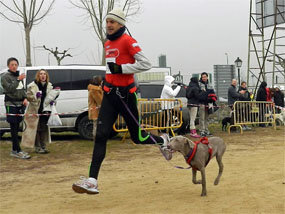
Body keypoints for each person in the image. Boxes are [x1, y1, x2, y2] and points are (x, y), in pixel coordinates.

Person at [72, 8, 170, 194]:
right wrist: (107, 80)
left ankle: (163, 140)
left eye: (112, 22)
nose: (108, 25)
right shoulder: (107, 43)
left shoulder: (128, 40)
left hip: (126, 96)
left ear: (121, 24)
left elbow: (146, 64)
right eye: (107, 21)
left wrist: (121, 68)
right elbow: (111, 68)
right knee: (100, 135)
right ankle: (92, 181)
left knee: (138, 138)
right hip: (110, 95)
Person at [21, 69, 59, 153]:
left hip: (45, 110)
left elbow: (50, 97)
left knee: (44, 129)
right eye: (41, 74)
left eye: (44, 74)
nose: (43, 75)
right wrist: (35, 96)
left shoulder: (49, 86)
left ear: (46, 76)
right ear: (38, 76)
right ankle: (37, 147)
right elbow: (28, 97)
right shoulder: (32, 86)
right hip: (34, 110)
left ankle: (43, 146)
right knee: (36, 129)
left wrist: (53, 100)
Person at [1, 57, 30, 159]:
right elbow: (9, 88)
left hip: (20, 105)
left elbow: (22, 89)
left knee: (17, 127)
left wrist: (25, 98)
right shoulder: (5, 76)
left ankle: (15, 149)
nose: (14, 66)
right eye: (12, 64)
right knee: (13, 127)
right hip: (11, 104)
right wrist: (18, 79)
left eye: (15, 64)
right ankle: (17, 150)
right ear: (8, 66)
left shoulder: (18, 76)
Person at [198, 72, 214, 137]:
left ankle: (206, 130)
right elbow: (198, 94)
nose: (204, 78)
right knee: (202, 118)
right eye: (203, 77)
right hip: (201, 103)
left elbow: (212, 93)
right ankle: (202, 131)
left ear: (207, 77)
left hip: (209, 103)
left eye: (205, 77)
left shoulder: (210, 85)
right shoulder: (199, 84)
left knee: (207, 118)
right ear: (201, 77)